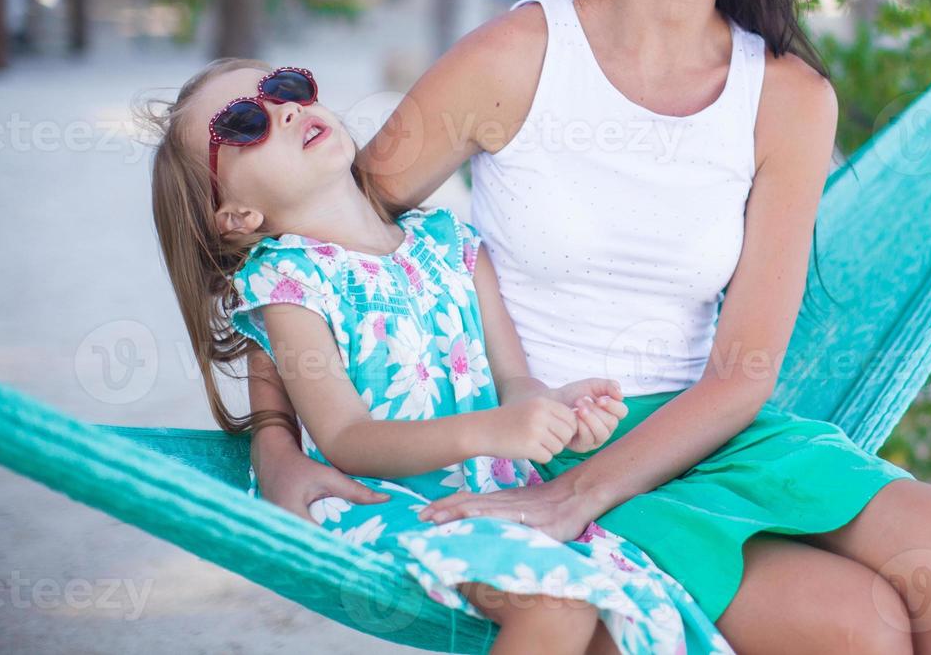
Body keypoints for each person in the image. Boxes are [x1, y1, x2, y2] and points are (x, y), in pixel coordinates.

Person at [254, 0, 931, 654]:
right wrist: (274, 444)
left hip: (711, 431)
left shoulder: (789, 98)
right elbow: (319, 234)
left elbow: (743, 373)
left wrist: (575, 500)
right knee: (855, 627)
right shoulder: (516, 60)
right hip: (542, 438)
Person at [142, 58, 734, 655]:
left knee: (628, 608)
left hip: (494, 494)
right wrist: (495, 430)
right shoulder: (290, 284)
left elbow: (514, 380)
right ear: (238, 216)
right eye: (245, 124)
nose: (286, 109)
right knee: (557, 609)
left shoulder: (450, 243)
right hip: (388, 504)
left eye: (285, 89)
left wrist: (556, 415)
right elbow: (345, 435)